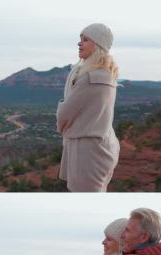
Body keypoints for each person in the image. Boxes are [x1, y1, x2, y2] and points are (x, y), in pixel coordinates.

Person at [56, 23, 120, 192]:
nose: (79, 43)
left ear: (97, 44)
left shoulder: (91, 77)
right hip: (101, 146)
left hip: (87, 153)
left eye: (85, 40)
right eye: (80, 39)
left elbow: (65, 113)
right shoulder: (107, 74)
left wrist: (63, 127)